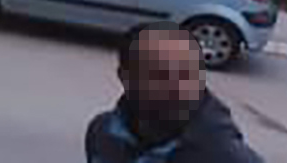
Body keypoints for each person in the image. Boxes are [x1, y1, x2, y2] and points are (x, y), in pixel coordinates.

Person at [85, 22, 266, 163]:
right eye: (161, 75)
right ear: (125, 77)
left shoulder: (225, 157)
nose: (179, 89)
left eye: (188, 74)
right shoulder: (102, 133)